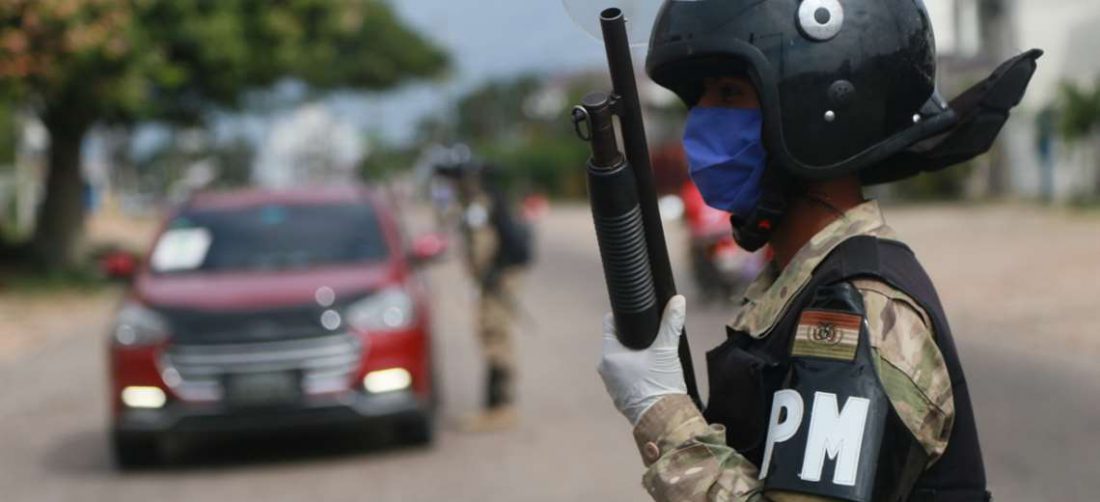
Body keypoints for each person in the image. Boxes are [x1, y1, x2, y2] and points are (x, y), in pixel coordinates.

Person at [595, 1, 1038, 500]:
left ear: (812, 107)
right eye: (699, 97)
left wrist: (661, 411)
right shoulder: (803, 280)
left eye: (728, 92)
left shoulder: (858, 309)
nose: (701, 119)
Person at [436, 159, 532, 432]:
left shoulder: (479, 204)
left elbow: (482, 245)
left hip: (497, 279)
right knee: (494, 334)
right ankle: (497, 405)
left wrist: (482, 277)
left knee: (494, 334)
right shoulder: (486, 200)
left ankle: (500, 407)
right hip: (498, 276)